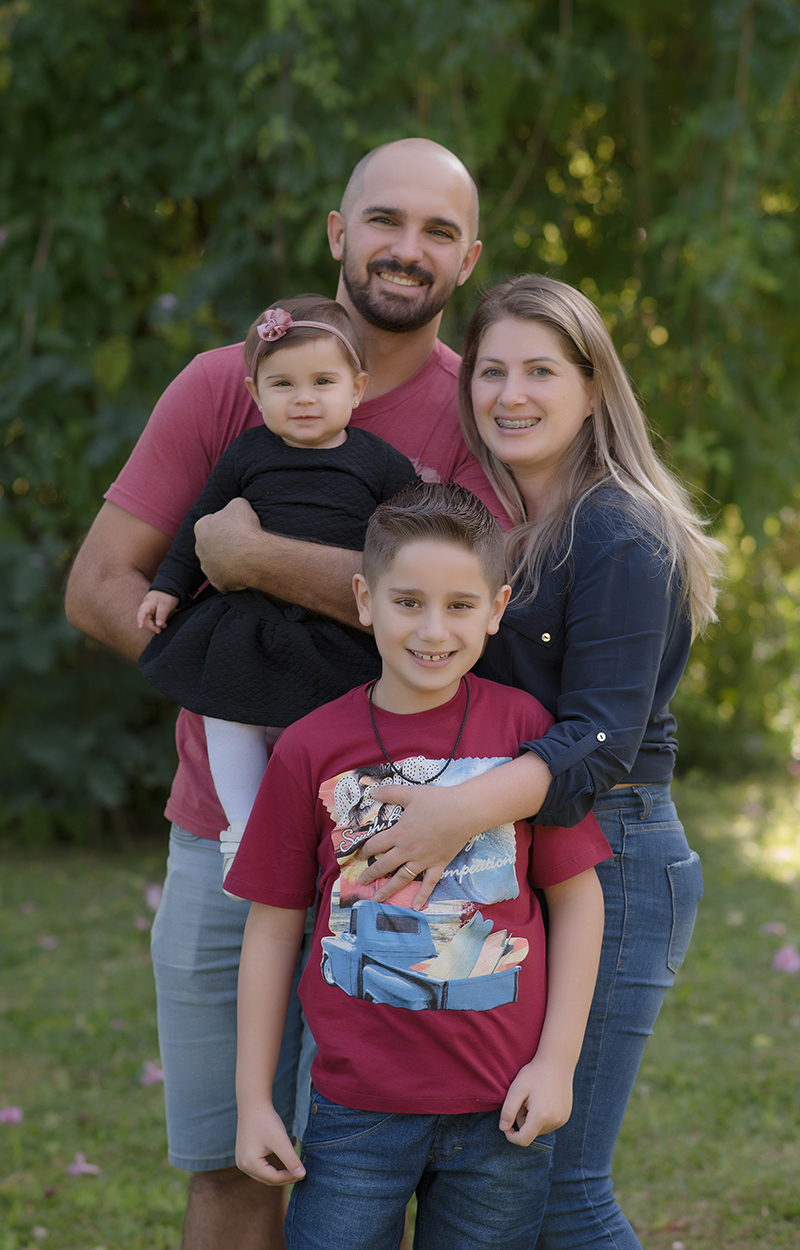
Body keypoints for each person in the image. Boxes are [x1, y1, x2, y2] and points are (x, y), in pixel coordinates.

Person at [64, 138, 490, 1250]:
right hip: (223, 841)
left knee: (367, 1176)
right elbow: (100, 584)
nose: (407, 247)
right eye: (384, 220)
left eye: (437, 230)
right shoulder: (226, 382)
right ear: (338, 234)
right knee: (229, 1165)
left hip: (401, 841)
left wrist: (254, 565)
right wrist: (219, 664)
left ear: (468, 257)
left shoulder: (480, 407)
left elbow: (488, 624)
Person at [350, 275, 723, 1249]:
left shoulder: (616, 527)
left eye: (539, 371)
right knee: (496, 1175)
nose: (508, 394)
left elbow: (594, 741)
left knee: (559, 1185)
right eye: (490, 371)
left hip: (618, 856)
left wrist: (453, 811)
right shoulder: (510, 523)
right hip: (531, 852)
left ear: (592, 387)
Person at [228, 482, 612, 1250]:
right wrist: (252, 1100)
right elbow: (273, 930)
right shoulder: (310, 748)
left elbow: (578, 900)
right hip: (354, 1114)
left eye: (460, 606)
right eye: (408, 603)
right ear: (365, 601)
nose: (433, 630)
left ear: (498, 608)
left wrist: (557, 1065)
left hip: (503, 1108)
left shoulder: (525, 731)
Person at [136, 297, 417, 889]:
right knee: (225, 712)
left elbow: (413, 537)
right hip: (247, 623)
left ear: (357, 388)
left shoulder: (382, 463)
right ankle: (243, 831)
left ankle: (335, 833)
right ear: (255, 393)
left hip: (333, 630)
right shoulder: (247, 454)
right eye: (282, 384)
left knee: (336, 730)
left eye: (323, 382)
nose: (304, 398)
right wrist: (167, 586)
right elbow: (201, 522)